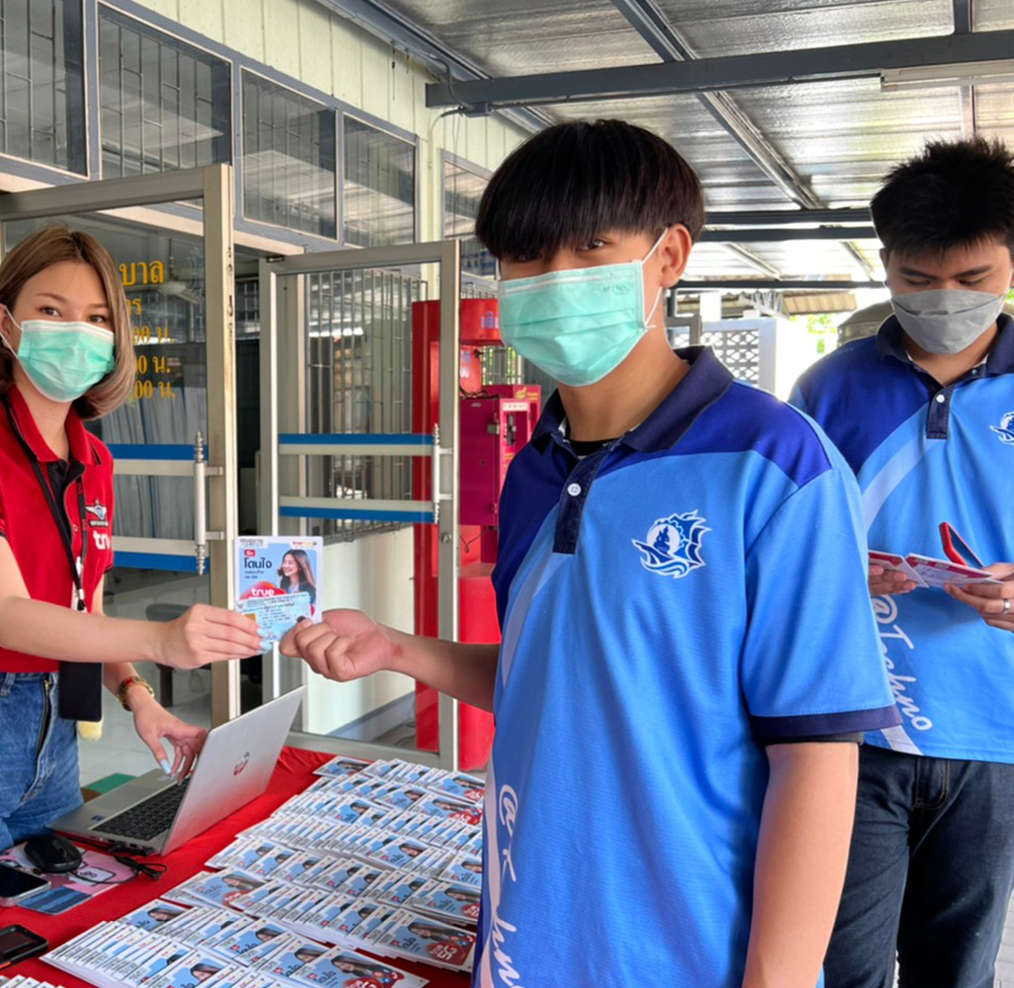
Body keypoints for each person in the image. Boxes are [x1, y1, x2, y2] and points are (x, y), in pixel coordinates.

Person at [281, 119, 897, 987]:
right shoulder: (534, 469)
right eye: (527, 257)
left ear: (669, 255)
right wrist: (396, 649)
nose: (554, 280)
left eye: (589, 247)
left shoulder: (776, 464)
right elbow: (558, 681)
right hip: (529, 932)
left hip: (689, 951)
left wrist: (780, 977)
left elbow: (818, 755)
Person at [0, 226, 264, 902]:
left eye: (98, 318)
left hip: (52, 734)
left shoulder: (94, 460)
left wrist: (139, 695)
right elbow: (10, 617)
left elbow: (87, 605)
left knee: (47, 924)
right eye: (51, 310)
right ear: (5, 324)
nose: (77, 331)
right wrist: (161, 638)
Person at [790, 137, 1014, 988]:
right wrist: (839, 575)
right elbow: (780, 548)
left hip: (996, 731)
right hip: (853, 720)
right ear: (886, 265)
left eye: (974, 279)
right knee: (840, 960)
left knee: (957, 962)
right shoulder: (828, 391)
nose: (946, 300)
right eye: (919, 280)